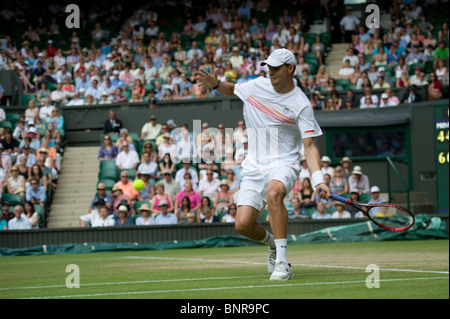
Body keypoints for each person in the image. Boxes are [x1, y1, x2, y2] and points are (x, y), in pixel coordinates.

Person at [194, 48, 331, 281]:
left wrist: (319, 180)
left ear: (291, 69)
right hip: (254, 166)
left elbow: (309, 146)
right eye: (269, 67)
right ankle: (272, 246)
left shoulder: (301, 104)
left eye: (277, 68)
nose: (271, 72)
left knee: (274, 193)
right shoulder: (257, 85)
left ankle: (282, 263)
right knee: (243, 225)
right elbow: (233, 90)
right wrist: (215, 84)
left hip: (284, 162)